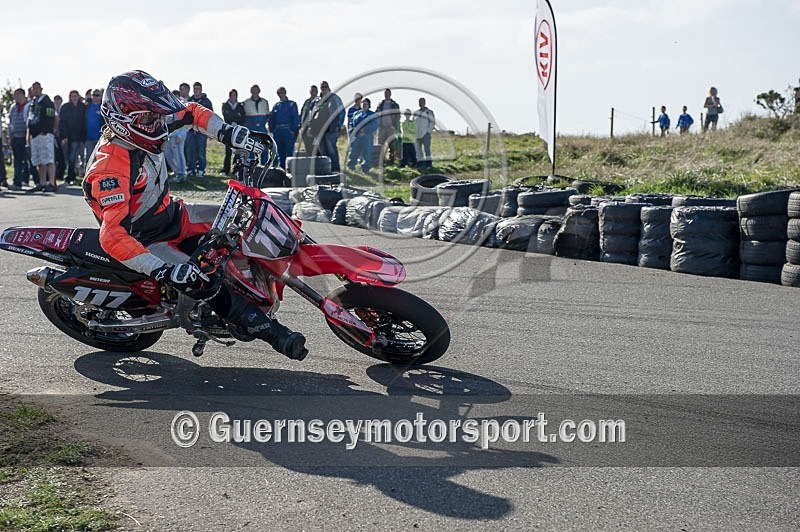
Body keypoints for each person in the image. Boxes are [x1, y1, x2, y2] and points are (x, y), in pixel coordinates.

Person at [84, 70, 307, 360]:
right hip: (146, 240)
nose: (158, 124)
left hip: (174, 213)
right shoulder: (110, 169)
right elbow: (113, 235)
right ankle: (274, 334)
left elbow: (190, 111)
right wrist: (162, 270)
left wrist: (227, 133)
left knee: (247, 214)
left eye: (158, 115)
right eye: (149, 118)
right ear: (121, 121)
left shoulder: (148, 123)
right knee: (202, 281)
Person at [27, 82, 57, 192]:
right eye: (33, 89)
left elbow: (51, 116)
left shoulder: (47, 101)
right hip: (35, 135)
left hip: (45, 134)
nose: (35, 91)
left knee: (48, 158)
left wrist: (46, 130)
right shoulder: (33, 102)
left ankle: (52, 183)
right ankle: (42, 182)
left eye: (37, 88)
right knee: (38, 160)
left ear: (41, 89)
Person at [310, 81, 345, 172]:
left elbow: (341, 112)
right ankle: (327, 171)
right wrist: (311, 127)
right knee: (323, 152)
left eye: (325, 87)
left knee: (332, 151)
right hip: (319, 130)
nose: (324, 88)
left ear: (329, 88)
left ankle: (336, 171)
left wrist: (338, 125)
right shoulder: (317, 100)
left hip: (331, 129)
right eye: (322, 87)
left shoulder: (334, 98)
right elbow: (311, 114)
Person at [58, 90, 86, 185]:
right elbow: (62, 122)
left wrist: (83, 137)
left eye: (76, 96)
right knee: (67, 158)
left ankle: (70, 177)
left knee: (72, 158)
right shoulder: (65, 107)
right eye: (72, 96)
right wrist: (64, 136)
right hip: (67, 137)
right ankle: (71, 176)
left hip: (78, 137)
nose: (74, 98)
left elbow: (84, 123)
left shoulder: (82, 107)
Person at [185, 81, 213, 177]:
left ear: (201, 89)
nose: (196, 91)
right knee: (190, 150)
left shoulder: (206, 101)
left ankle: (201, 169)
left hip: (202, 130)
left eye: (198, 89)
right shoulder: (190, 101)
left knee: (201, 151)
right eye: (195, 89)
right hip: (191, 129)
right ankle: (191, 169)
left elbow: (210, 115)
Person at [268, 87, 300, 168]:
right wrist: (272, 129)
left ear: (285, 93)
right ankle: (282, 169)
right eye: (279, 93)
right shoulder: (276, 105)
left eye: (282, 93)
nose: (281, 94)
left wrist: (293, 130)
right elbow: (272, 118)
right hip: (278, 131)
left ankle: (291, 169)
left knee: (289, 152)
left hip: (288, 130)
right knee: (279, 152)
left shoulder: (291, 104)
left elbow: (296, 118)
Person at [162, 89, 188, 182]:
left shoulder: (183, 106)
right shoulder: (169, 106)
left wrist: (181, 135)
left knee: (178, 155)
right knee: (168, 154)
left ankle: (182, 173)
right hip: (170, 135)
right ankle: (176, 171)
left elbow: (186, 122)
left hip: (179, 135)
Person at [346, 98, 378, 173]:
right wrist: (353, 131)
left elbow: (374, 125)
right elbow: (351, 124)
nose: (364, 105)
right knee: (353, 152)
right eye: (363, 103)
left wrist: (364, 130)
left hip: (367, 137)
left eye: (366, 104)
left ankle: (365, 169)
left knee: (366, 154)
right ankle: (351, 167)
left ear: (369, 105)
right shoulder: (356, 113)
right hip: (356, 137)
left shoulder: (373, 114)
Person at [8, 88, 30, 190]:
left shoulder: (29, 106)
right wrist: (10, 136)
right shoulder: (13, 107)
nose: (14, 97)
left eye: (16, 95)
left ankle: (34, 180)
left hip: (26, 136)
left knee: (29, 160)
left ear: (21, 95)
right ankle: (17, 182)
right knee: (17, 161)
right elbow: (11, 123)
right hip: (16, 137)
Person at [221, 89, 245, 176]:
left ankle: (236, 170)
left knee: (237, 151)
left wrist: (234, 117)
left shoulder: (240, 106)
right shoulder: (225, 105)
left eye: (235, 95)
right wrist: (236, 116)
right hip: (228, 131)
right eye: (232, 95)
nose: (233, 97)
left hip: (238, 131)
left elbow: (242, 118)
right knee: (228, 151)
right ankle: (225, 170)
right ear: (229, 96)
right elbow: (226, 117)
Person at [243, 84, 269, 163]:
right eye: (253, 90)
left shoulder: (264, 102)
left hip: (262, 128)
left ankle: (264, 167)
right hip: (251, 128)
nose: (255, 92)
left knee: (264, 149)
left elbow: (268, 115)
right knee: (250, 148)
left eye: (256, 90)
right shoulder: (246, 102)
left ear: (259, 91)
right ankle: (251, 167)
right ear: (251, 91)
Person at [375, 89, 400, 165]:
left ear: (390, 94)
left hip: (391, 127)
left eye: (388, 93)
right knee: (380, 145)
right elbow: (376, 114)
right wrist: (378, 125)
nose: (387, 95)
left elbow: (398, 116)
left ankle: (391, 161)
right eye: (385, 93)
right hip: (382, 127)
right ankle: (380, 161)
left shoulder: (394, 104)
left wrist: (395, 126)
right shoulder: (380, 104)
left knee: (391, 144)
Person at [84, 89, 103, 169]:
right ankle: (86, 174)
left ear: (101, 96)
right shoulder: (86, 107)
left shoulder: (103, 107)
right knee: (88, 158)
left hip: (100, 138)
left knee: (99, 158)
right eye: (93, 95)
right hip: (88, 137)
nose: (95, 97)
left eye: (97, 95)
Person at [414, 97, 435, 167]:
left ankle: (428, 164)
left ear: (425, 103)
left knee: (427, 149)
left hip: (426, 133)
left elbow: (432, 122)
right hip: (417, 134)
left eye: (422, 102)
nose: (421, 103)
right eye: (420, 102)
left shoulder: (429, 112)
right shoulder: (416, 112)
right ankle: (420, 164)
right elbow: (414, 122)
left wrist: (428, 131)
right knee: (418, 150)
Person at [299, 84, 318, 156]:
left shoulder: (319, 101)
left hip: (315, 128)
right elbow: (302, 114)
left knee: (315, 148)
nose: (313, 92)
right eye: (312, 91)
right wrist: (301, 127)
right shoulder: (307, 102)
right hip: (305, 129)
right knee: (308, 147)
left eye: (315, 91)